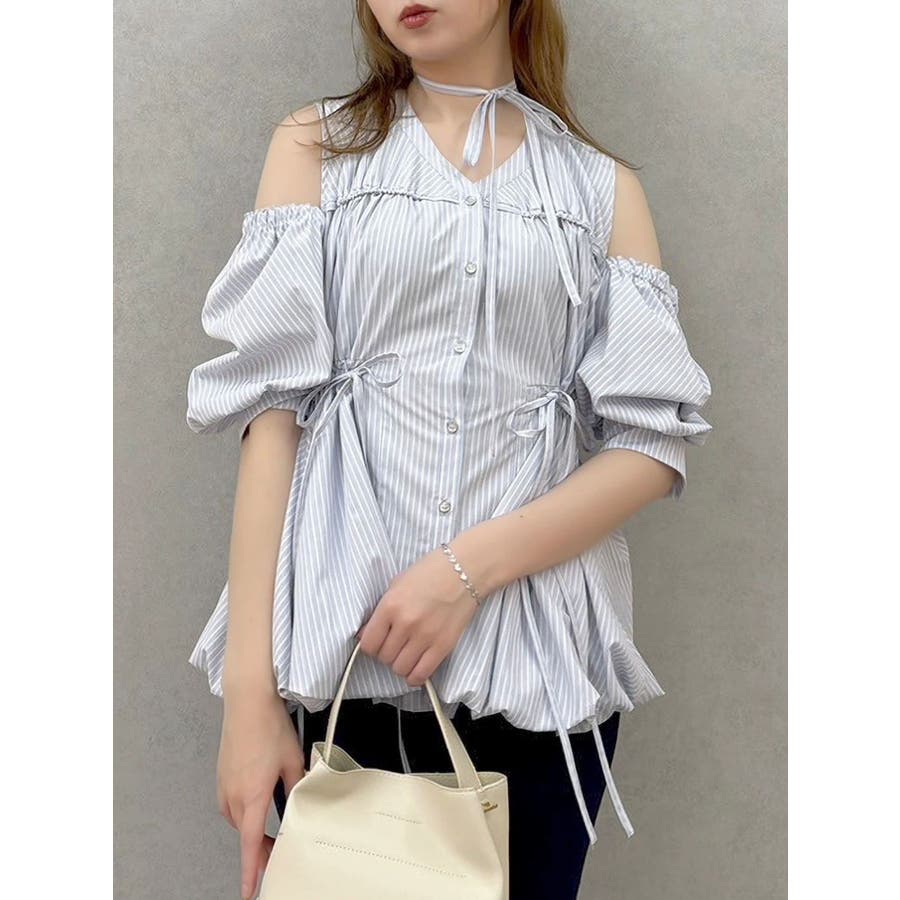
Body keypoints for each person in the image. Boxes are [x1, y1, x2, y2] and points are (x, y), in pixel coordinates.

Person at [184, 2, 713, 898]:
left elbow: (650, 445)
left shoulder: (599, 186)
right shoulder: (319, 146)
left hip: (539, 673)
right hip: (344, 670)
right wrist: (248, 700)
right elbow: (270, 414)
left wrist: (463, 573)